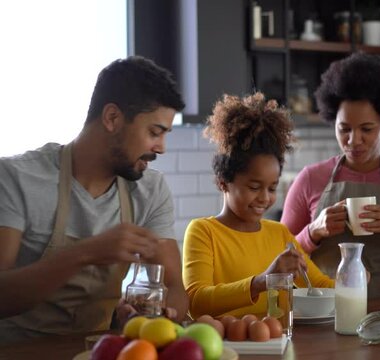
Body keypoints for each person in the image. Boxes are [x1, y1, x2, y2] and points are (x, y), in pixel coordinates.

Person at [0, 56, 189, 343]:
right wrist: (84, 253)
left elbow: (174, 286)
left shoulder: (151, 190)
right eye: (154, 132)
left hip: (100, 350)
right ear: (112, 117)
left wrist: (155, 315)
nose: (161, 148)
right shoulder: (16, 178)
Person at [281, 53, 380, 299]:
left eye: (367, 129)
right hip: (326, 316)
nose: (353, 140)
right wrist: (313, 232)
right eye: (344, 129)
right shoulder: (310, 179)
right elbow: (278, 261)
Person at [182, 92, 334, 319]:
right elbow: (196, 301)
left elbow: (320, 284)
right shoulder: (204, 232)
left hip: (279, 348)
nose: (265, 198)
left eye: (272, 188)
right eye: (254, 187)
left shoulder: (280, 234)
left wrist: (352, 280)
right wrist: (263, 281)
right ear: (224, 183)